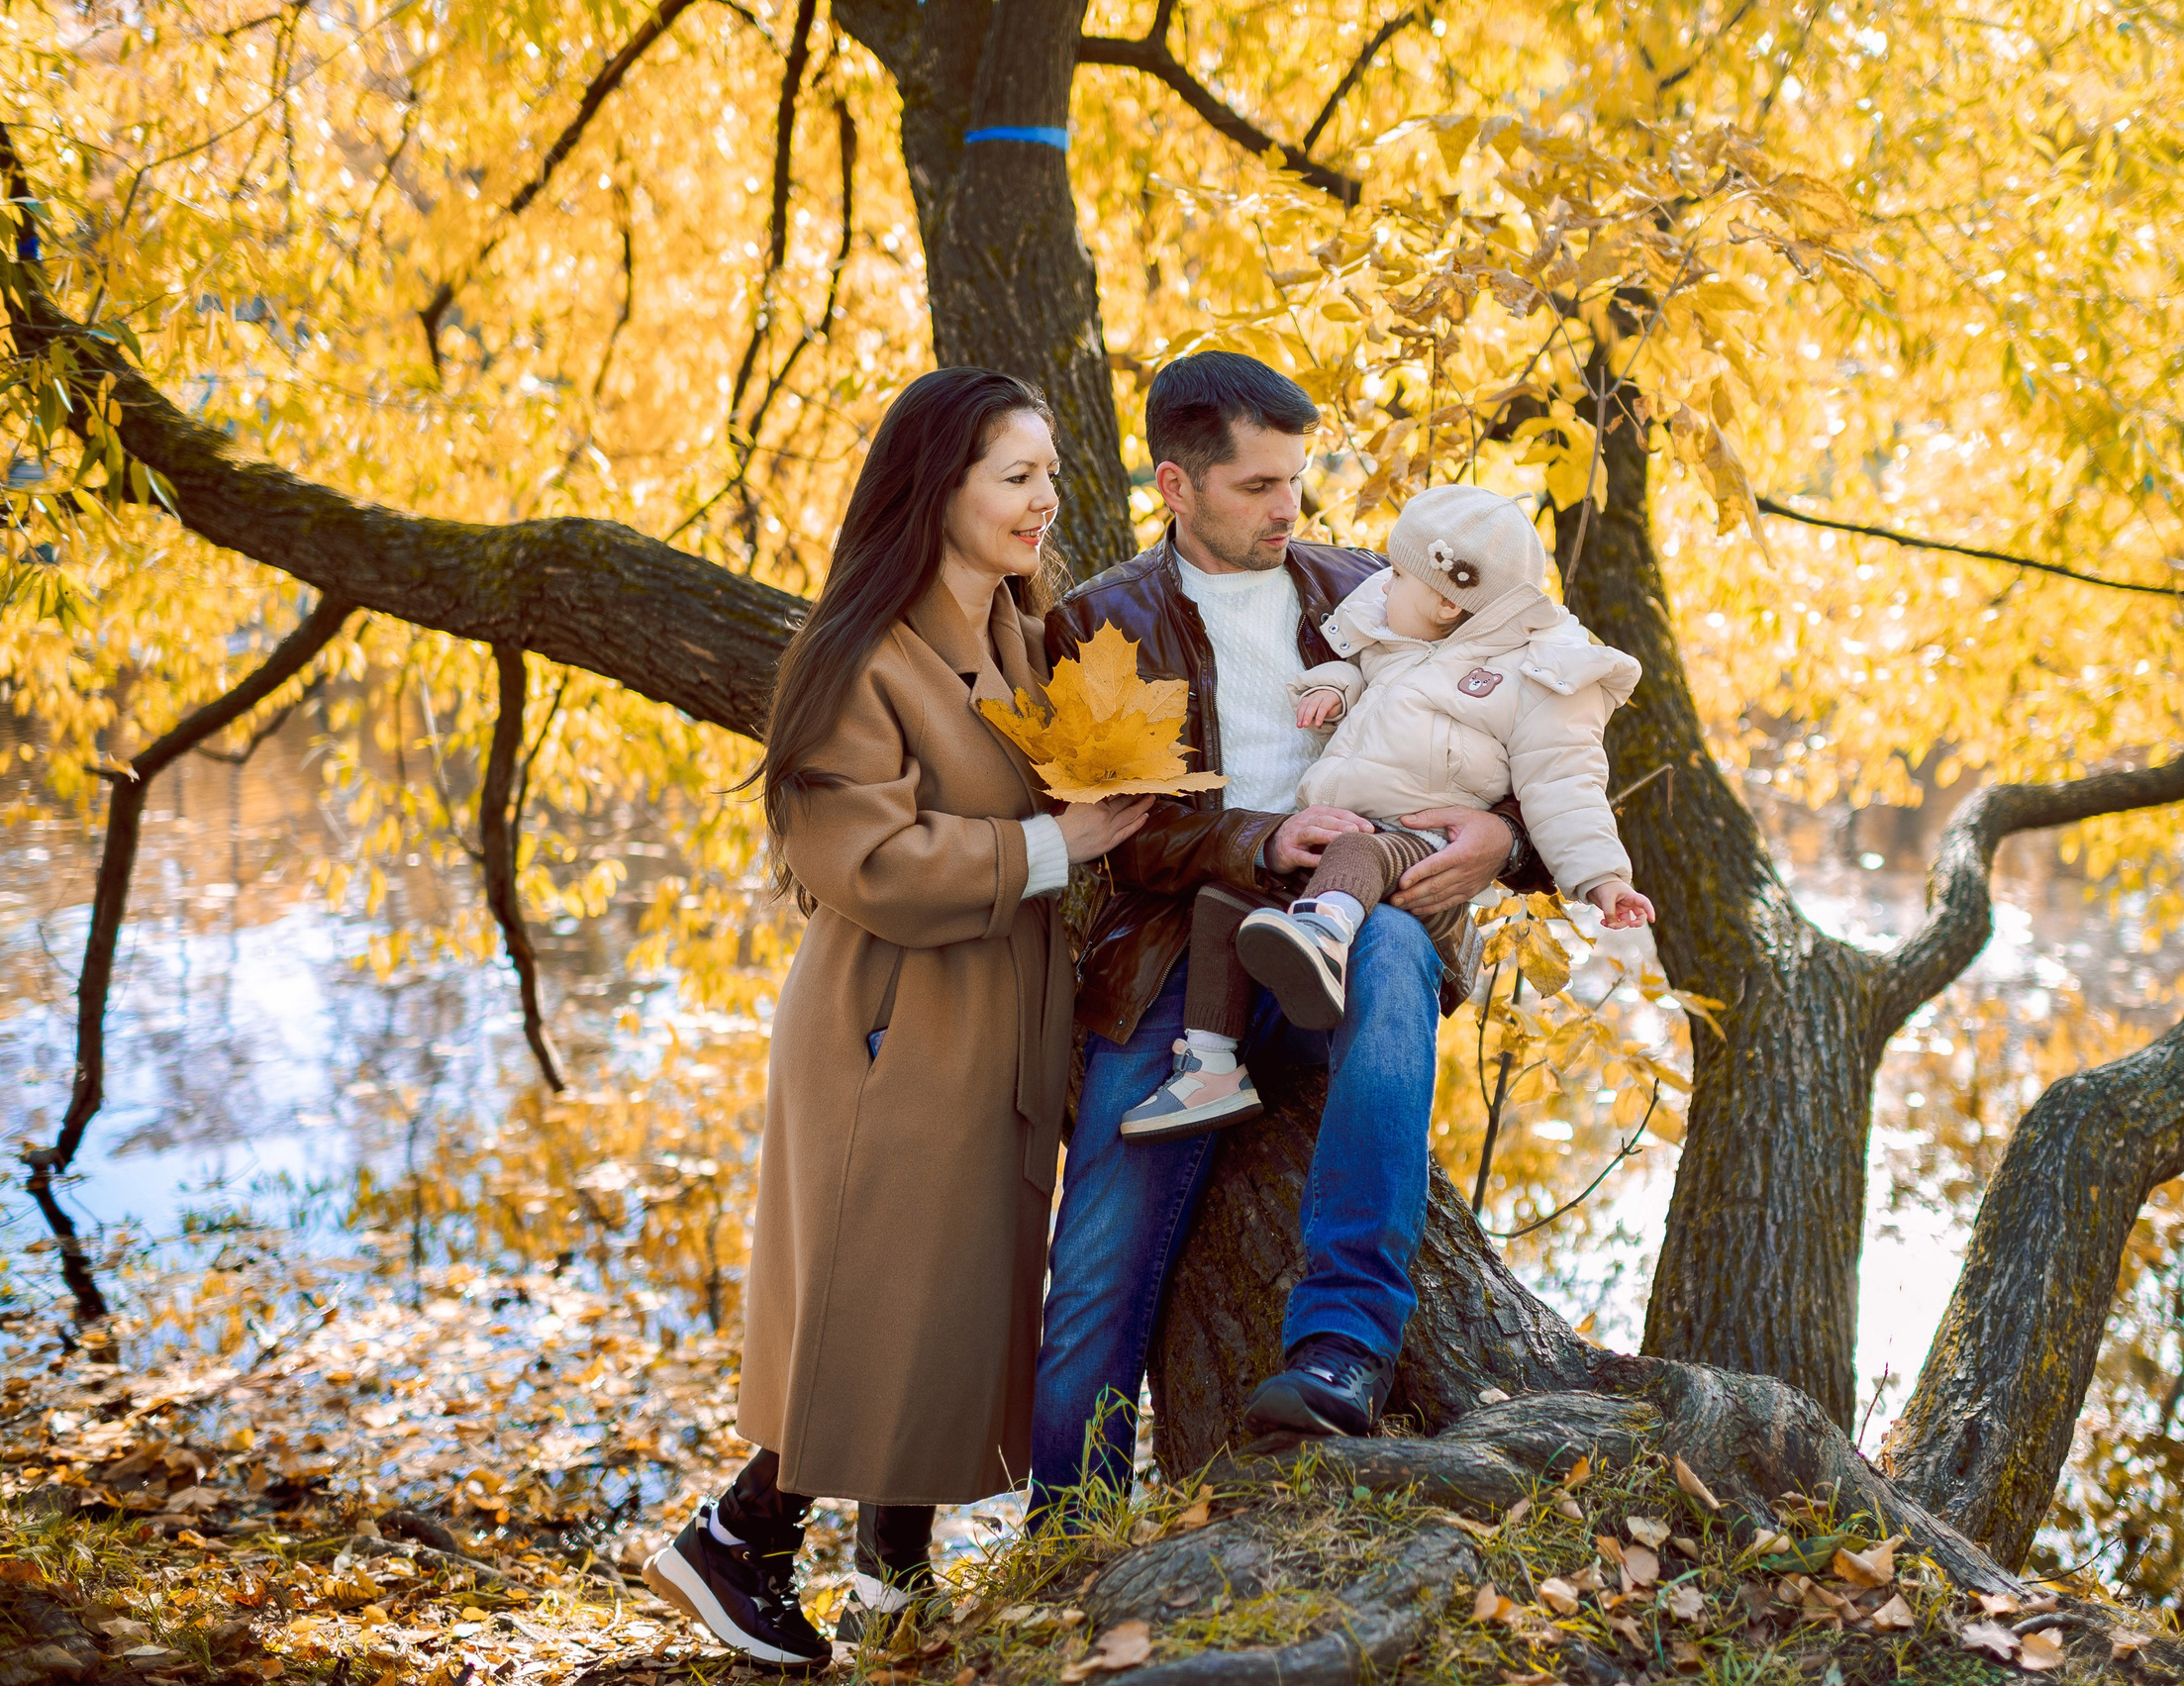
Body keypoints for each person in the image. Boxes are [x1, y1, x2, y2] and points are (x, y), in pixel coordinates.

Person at [645, 368, 1150, 1665]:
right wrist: (1051, 845)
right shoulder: (855, 655)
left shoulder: (1033, 640)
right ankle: (736, 1533)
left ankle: (893, 1574)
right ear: (940, 488)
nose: (1049, 497)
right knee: (876, 1297)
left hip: (1005, 1024)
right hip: (892, 1024)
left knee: (948, 1302)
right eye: (1017, 474)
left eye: (1049, 471)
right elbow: (859, 856)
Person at [1029, 351, 1546, 1507]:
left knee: (1400, 947)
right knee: (1094, 1269)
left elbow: (1524, 734)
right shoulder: (1099, 622)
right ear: (1176, 484)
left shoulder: (1371, 590)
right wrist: (1263, 838)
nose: (1287, 507)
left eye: (1296, 479)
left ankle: (1340, 1347)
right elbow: (1127, 831)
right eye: (1258, 484)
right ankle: (1066, 1533)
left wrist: (1500, 837)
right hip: (1180, 963)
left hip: (1357, 932)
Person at [1118, 483, 1654, 1139]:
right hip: (1351, 829)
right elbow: (1361, 673)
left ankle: (1323, 938)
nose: (1382, 581)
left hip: (1418, 839)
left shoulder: (1536, 676)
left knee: (1358, 851)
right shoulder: (1399, 636)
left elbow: (1565, 781)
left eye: (1397, 574)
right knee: (1224, 902)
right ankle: (1210, 1064)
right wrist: (1329, 688)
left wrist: (1602, 876)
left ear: (1447, 599)